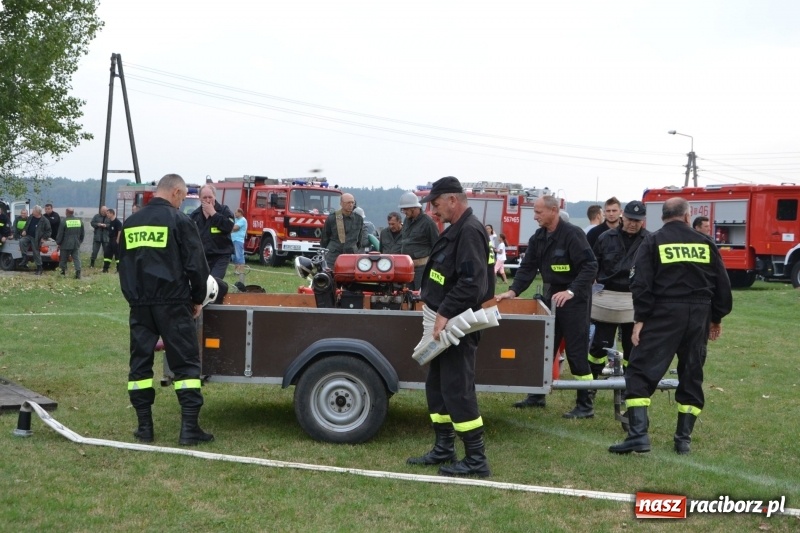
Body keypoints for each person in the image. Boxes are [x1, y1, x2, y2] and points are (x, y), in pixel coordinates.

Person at [609, 198, 732, 456]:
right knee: (691, 375)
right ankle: (683, 440)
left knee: (640, 372)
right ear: (688, 217)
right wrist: (716, 318)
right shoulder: (706, 243)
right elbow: (723, 285)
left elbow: (640, 284)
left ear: (662, 216)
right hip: (699, 315)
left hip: (663, 313)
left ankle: (638, 436)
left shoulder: (652, 242)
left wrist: (640, 319)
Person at [118, 173, 214, 446]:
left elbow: (122, 264)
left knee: (140, 366)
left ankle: (144, 428)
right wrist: (197, 298)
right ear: (174, 193)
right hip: (173, 303)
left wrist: (133, 299)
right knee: (186, 366)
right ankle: (189, 429)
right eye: (182, 198)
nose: (182, 203)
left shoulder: (131, 223)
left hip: (139, 305)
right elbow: (197, 267)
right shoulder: (179, 221)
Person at [406, 176, 493, 478]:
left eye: (437, 203)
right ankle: (444, 447)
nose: (433, 210)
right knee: (438, 388)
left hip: (456, 325)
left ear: (453, 200)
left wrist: (443, 312)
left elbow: (473, 283)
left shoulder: (470, 232)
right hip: (442, 322)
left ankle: (476, 459)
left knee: (458, 390)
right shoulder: (456, 230)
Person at [496, 195, 598, 416]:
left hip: (574, 299)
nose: (534, 216)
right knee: (544, 346)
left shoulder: (573, 234)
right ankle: (537, 395)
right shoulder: (539, 237)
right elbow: (528, 268)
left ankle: (585, 405)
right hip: (551, 296)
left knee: (576, 352)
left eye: (538, 212)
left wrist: (570, 291)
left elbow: (590, 266)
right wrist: (513, 291)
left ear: (553, 211)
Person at [588, 200, 649, 376]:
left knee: (633, 345)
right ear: (623, 217)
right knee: (600, 345)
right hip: (607, 296)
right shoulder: (605, 238)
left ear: (643, 220)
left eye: (637, 221)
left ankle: (628, 387)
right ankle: (591, 384)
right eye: (630, 219)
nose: (632, 224)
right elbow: (593, 265)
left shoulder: (650, 240)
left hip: (635, 298)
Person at [190, 184, 235, 279]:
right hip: (202, 257)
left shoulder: (224, 211)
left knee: (214, 281)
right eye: (204, 197)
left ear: (214, 196)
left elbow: (229, 226)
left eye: (210, 197)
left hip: (221, 255)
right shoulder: (195, 215)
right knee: (202, 284)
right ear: (199, 198)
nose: (207, 200)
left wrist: (213, 213)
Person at [399, 191, 439, 290]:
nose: (404, 212)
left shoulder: (428, 223)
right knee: (407, 296)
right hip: (408, 268)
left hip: (422, 269)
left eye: (406, 209)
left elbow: (437, 246)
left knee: (421, 296)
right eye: (403, 209)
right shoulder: (407, 221)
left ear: (414, 207)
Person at [320, 193, 364, 268]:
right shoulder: (332, 218)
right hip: (333, 256)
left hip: (351, 255)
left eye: (352, 202)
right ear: (341, 203)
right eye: (348, 202)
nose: (350, 205)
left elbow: (360, 240)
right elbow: (325, 238)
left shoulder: (359, 219)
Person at [19, 205, 52, 275]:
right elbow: (26, 225)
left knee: (36, 253)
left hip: (36, 238)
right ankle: (24, 258)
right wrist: (24, 230)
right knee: (22, 241)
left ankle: (39, 268)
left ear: (37, 212)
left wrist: (44, 238)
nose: (32, 212)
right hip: (28, 236)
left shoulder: (44, 220)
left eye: (33, 211)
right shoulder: (31, 217)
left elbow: (49, 231)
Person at [56, 207, 84, 279]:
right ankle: (78, 273)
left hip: (65, 244)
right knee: (76, 259)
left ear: (66, 212)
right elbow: (82, 234)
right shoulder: (79, 221)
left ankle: (62, 274)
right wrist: (79, 241)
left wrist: (58, 243)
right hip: (76, 243)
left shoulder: (64, 221)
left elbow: (60, 234)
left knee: (63, 259)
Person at [102, 208, 123, 273]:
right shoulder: (111, 222)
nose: (107, 215)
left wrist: (117, 240)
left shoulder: (117, 222)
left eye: (108, 213)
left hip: (115, 240)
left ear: (112, 213)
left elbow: (120, 231)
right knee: (107, 253)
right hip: (110, 240)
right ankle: (105, 268)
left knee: (117, 255)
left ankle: (119, 269)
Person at [231, 208, 247, 282]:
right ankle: (236, 271)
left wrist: (229, 228)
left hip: (239, 240)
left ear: (240, 213)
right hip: (233, 239)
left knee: (239, 256)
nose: (235, 214)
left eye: (236, 213)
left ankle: (241, 271)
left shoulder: (243, 220)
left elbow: (235, 228)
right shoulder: (236, 220)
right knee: (234, 257)